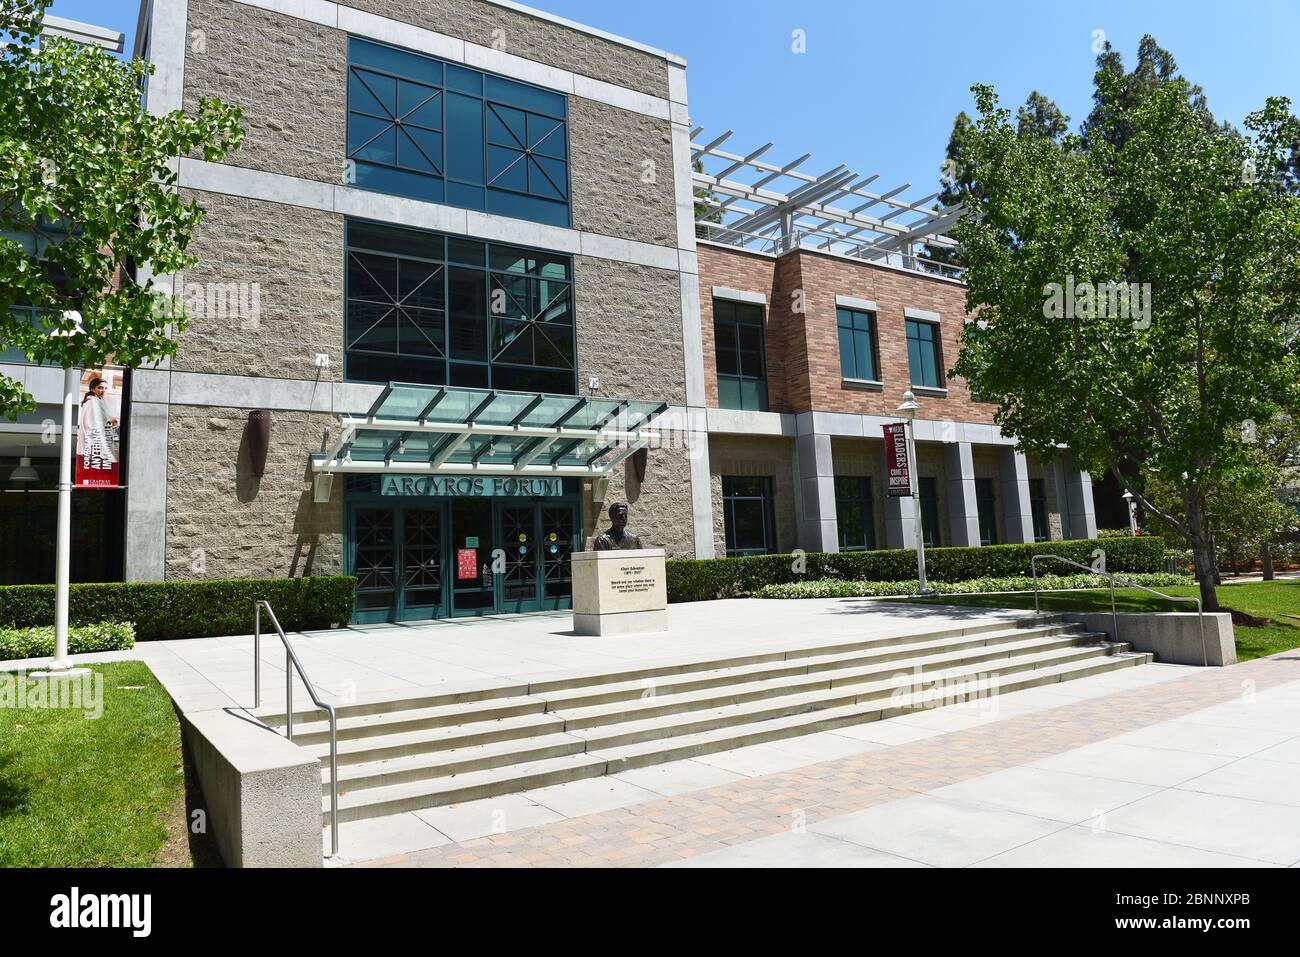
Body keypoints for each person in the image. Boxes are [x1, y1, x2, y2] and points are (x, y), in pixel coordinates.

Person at [79, 376, 118, 471]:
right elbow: (90, 424)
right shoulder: (92, 402)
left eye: (105, 388)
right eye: (100, 387)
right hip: (94, 446)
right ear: (92, 389)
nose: (103, 390)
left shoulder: (96, 401)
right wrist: (110, 423)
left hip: (94, 446)